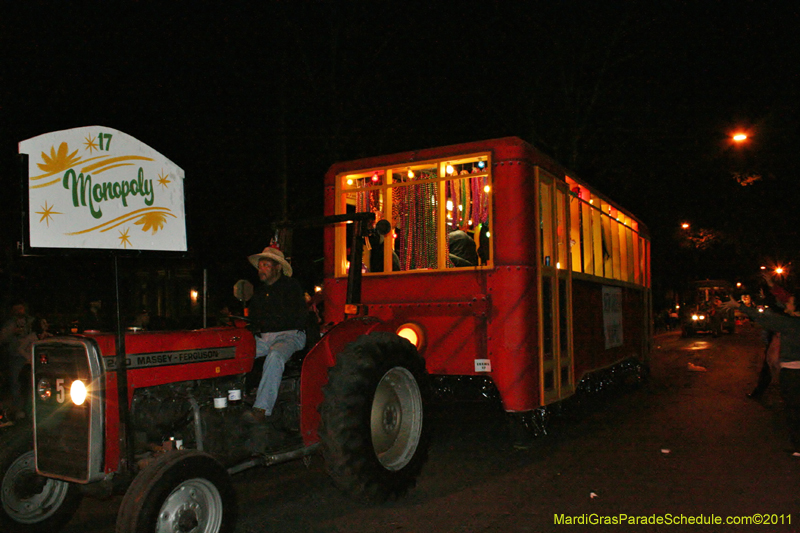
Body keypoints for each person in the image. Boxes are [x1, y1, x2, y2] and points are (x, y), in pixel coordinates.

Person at [723, 290, 800, 455]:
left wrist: (739, 306)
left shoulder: (790, 323)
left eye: (790, 302)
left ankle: (798, 446)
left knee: (793, 409)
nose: (787, 304)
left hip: (793, 372)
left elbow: (764, 319)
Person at [245, 246, 307, 423]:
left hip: (290, 335)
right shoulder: (258, 293)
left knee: (275, 355)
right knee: (240, 352)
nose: (261, 269)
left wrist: (266, 325)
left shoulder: (292, 287)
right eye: (260, 266)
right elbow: (255, 321)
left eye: (265, 265)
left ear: (277, 267)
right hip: (265, 337)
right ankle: (236, 395)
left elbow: (295, 317)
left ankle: (262, 408)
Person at [748, 272, 794, 399]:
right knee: (769, 367)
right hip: (777, 339)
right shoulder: (781, 309)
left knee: (775, 367)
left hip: (781, 341)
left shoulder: (786, 312)